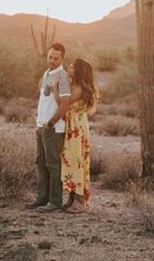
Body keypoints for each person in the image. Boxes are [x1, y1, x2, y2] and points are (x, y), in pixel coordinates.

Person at [26, 42, 71, 212]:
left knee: (53, 164)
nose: (52, 60)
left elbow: (65, 103)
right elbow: (45, 97)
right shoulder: (47, 73)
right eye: (50, 57)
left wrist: (51, 122)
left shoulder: (63, 76)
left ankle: (55, 201)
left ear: (62, 58)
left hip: (53, 127)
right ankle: (41, 198)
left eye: (56, 58)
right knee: (40, 162)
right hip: (41, 125)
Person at [54, 58, 99, 213]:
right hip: (73, 126)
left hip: (76, 128)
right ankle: (72, 197)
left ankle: (79, 200)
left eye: (72, 67)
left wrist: (55, 86)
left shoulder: (79, 88)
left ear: (79, 71)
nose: (69, 67)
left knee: (76, 160)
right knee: (70, 160)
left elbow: (62, 103)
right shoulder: (73, 86)